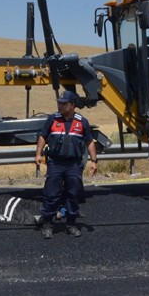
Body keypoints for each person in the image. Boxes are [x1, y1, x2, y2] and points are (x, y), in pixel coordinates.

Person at [34, 90, 97, 239]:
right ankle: (48, 224)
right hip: (55, 163)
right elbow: (43, 136)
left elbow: (89, 141)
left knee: (73, 194)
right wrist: (38, 153)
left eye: (64, 104)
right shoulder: (52, 119)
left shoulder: (82, 122)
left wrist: (94, 161)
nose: (60, 106)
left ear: (72, 105)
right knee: (51, 194)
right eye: (59, 103)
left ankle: (71, 224)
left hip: (73, 164)